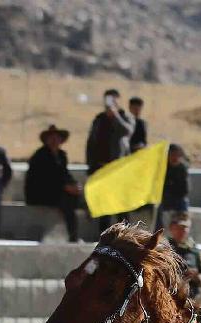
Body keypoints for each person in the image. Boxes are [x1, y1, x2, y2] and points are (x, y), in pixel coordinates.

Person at [85, 88, 135, 231]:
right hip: (102, 168)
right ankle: (104, 236)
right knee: (104, 207)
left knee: (122, 206)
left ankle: (125, 235)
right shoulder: (99, 119)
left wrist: (115, 116)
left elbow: (127, 131)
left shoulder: (125, 116)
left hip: (118, 169)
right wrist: (91, 166)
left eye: (113, 99)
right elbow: (91, 143)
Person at [26, 124, 81, 243]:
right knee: (67, 200)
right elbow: (46, 179)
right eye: (51, 138)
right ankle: (73, 236)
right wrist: (66, 187)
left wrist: (74, 185)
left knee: (76, 196)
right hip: (40, 191)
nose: (54, 140)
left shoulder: (62, 155)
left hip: (56, 190)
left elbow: (65, 174)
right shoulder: (40, 156)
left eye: (57, 138)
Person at [167, 212, 201, 297]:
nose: (181, 231)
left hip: (191, 298)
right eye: (178, 228)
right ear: (171, 228)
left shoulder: (194, 250)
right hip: (170, 298)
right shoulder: (165, 248)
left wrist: (197, 277)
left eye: (184, 228)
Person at [156, 143, 190, 230]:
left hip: (177, 198)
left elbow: (185, 190)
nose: (175, 158)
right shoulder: (162, 167)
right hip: (163, 198)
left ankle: (181, 231)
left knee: (184, 204)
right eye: (172, 155)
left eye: (177, 155)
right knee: (157, 208)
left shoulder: (182, 169)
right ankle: (158, 231)